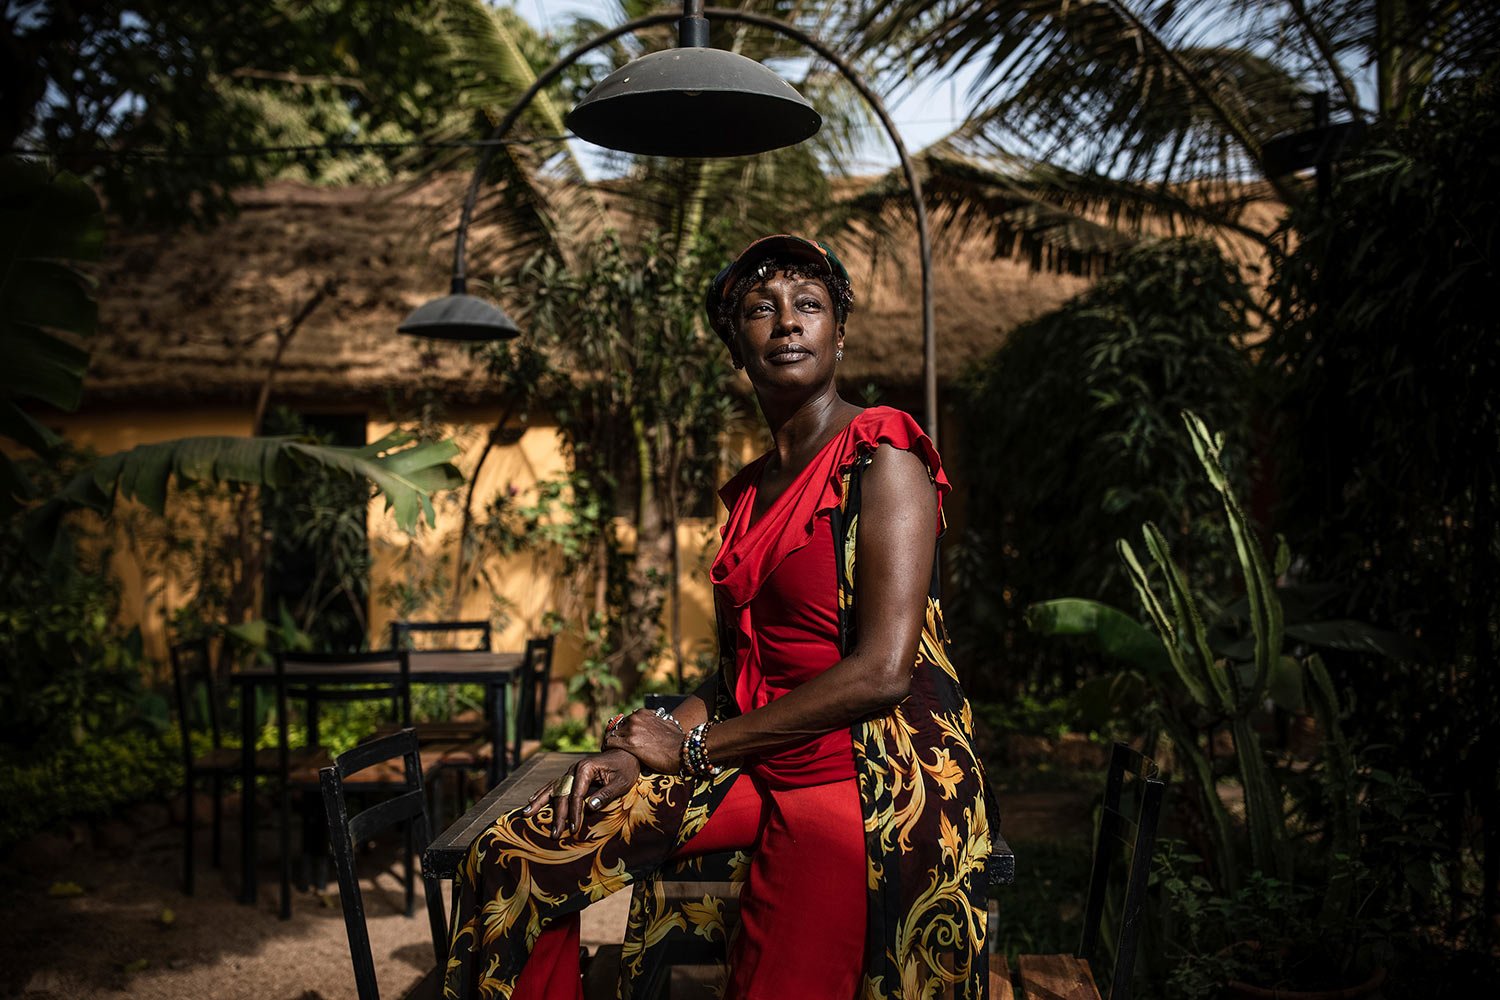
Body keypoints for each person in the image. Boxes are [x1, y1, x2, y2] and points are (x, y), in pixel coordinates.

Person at [443, 235, 997, 1000]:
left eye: (810, 305)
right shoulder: (749, 493)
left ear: (841, 333)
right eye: (761, 311)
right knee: (521, 853)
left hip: (855, 776)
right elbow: (740, 673)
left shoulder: (883, 455)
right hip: (751, 758)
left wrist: (696, 748)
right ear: (736, 344)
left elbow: (882, 672)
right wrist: (639, 754)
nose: (787, 323)